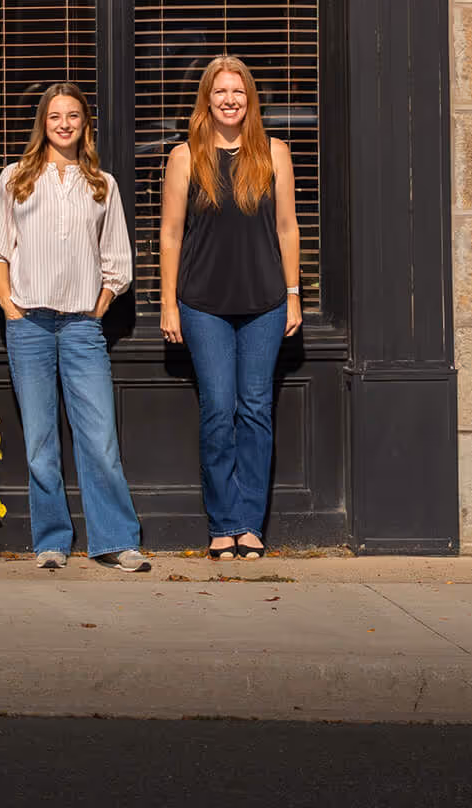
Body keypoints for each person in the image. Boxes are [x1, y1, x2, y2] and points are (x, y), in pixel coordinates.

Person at [0, 83, 151, 573]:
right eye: (56, 117)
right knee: (39, 439)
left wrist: (100, 305)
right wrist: (8, 302)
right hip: (28, 322)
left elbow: (117, 257)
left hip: (81, 328)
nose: (65, 124)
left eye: (73, 116)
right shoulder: (16, 178)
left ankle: (115, 540)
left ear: (85, 124)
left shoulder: (102, 184)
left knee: (99, 436)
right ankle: (51, 540)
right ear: (43, 123)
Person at [158, 54, 303, 562]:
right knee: (219, 410)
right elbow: (171, 235)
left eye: (237, 91)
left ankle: (249, 524)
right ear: (206, 99)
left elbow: (287, 228)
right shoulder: (184, 158)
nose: (229, 100)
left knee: (257, 411)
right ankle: (223, 524)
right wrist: (169, 305)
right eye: (220, 91)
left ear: (249, 99)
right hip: (203, 305)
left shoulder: (275, 154)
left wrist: (292, 295)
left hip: (264, 302)